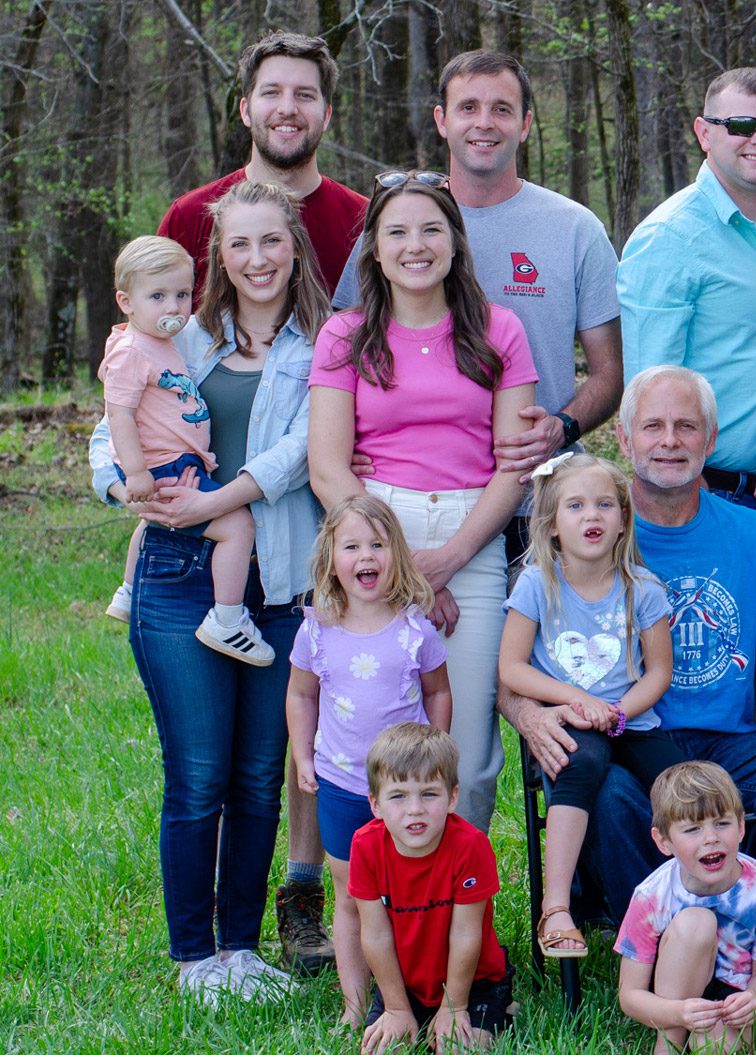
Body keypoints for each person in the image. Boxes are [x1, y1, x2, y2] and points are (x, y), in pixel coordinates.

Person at [497, 365, 756, 994]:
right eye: (653, 426)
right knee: (606, 792)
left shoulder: (751, 533)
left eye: (686, 426)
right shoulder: (591, 522)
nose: (669, 440)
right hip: (626, 738)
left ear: (710, 439)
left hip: (727, 746)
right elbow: (514, 669)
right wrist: (530, 716)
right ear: (626, 439)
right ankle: (673, 972)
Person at [89, 179, 330, 996]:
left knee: (260, 775)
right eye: (239, 245)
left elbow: (303, 450)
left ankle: (242, 948)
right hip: (178, 575)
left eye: (272, 242)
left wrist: (215, 500)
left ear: (293, 247)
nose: (257, 259)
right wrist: (122, 487)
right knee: (198, 774)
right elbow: (107, 425)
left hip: (279, 580)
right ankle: (194, 956)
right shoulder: (180, 336)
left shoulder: (324, 346)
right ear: (218, 256)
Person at [308, 171, 539, 834]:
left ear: (455, 242)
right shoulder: (345, 337)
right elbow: (327, 465)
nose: (416, 244)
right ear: (374, 250)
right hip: (374, 535)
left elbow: (514, 464)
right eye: (397, 232)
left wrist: (450, 558)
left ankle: (454, 906)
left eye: (432, 228)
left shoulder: (500, 330)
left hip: (474, 537)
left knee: (465, 749)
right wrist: (404, 566)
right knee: (375, 738)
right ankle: (384, 907)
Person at [332, 50, 624, 565]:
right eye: (467, 107)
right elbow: (343, 348)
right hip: (407, 506)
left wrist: (563, 425)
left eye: (502, 109)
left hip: (540, 505)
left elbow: (610, 373)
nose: (484, 123)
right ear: (442, 120)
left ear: (526, 124)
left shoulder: (575, 229)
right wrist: (343, 444)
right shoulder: (399, 226)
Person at [499, 452, 679, 960]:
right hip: (568, 722)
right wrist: (577, 700)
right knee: (582, 762)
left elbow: (659, 672)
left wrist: (620, 711)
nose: (591, 516)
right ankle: (558, 908)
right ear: (553, 526)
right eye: (575, 506)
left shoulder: (642, 589)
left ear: (624, 520)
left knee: (683, 786)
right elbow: (511, 670)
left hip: (631, 720)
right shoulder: (538, 583)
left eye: (604, 505)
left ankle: (691, 904)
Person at [286, 495, 452, 1024]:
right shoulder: (316, 630)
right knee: (351, 895)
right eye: (352, 545)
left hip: (406, 792)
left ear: (396, 555)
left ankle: (412, 992)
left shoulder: (414, 631)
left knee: (408, 890)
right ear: (331, 558)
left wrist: (436, 754)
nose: (367, 555)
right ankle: (355, 1004)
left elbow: (438, 693)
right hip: (341, 785)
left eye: (378, 544)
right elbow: (300, 695)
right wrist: (302, 753)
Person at [618, 67, 756, 509]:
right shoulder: (668, 238)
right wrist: (695, 503)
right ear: (704, 134)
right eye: (742, 125)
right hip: (715, 494)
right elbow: (649, 393)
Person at [100, 236, 270, 664]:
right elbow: (118, 416)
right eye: (157, 296)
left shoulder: (163, 343)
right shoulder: (130, 352)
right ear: (126, 301)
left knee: (152, 523)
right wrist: (136, 475)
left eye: (180, 295)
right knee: (237, 527)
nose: (173, 307)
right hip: (159, 463)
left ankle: (128, 588)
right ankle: (228, 618)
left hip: (175, 458)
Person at [160, 32, 367, 295]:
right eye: (271, 93)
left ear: (326, 115)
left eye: (304, 95)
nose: (287, 108)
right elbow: (146, 325)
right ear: (245, 111)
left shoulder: (366, 225)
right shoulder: (188, 219)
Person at [350, 724, 514, 1054]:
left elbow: (466, 935)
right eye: (397, 796)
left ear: (452, 797)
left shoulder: (470, 846)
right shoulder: (365, 846)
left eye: (429, 793)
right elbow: (376, 935)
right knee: (387, 1049)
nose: (415, 809)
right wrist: (396, 1008)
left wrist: (454, 1007)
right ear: (375, 805)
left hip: (475, 981)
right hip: (403, 983)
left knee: (460, 1048)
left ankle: (499, 1009)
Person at [616, 761, 756, 1055]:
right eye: (693, 829)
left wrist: (754, 998)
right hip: (672, 993)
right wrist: (677, 1014)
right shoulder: (652, 895)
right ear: (663, 841)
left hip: (731, 999)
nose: (711, 838)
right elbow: (630, 996)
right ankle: (668, 1043)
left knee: (712, 1048)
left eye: (722, 823)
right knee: (696, 922)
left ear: (741, 826)